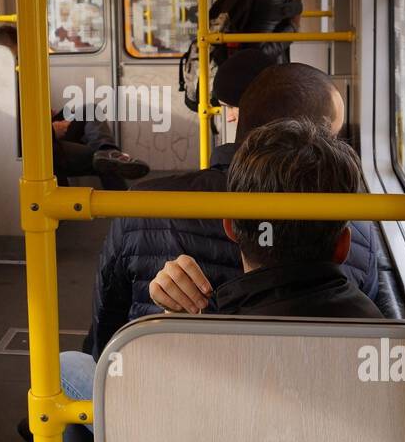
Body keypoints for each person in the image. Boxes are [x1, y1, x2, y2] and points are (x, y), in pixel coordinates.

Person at [40, 61, 382, 442]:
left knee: (67, 368)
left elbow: (109, 333)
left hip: (178, 438)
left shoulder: (142, 208)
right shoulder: (359, 230)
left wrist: (168, 324)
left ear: (233, 229)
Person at [63, 119, 381, 442]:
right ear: (343, 244)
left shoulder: (200, 352)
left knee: (69, 368)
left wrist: (162, 333)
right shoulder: (382, 340)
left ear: (230, 228)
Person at [149, 119, 384, 319]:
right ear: (343, 246)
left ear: (230, 227)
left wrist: (175, 322)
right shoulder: (381, 335)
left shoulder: (216, 335)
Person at [0, 24, 149, 189]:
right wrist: (51, 131)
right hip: (43, 147)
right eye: (18, 57)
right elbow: (13, 137)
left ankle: (107, 149)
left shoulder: (14, 76)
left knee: (90, 109)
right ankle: (120, 204)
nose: (23, 61)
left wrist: (45, 117)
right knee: (105, 163)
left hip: (44, 132)